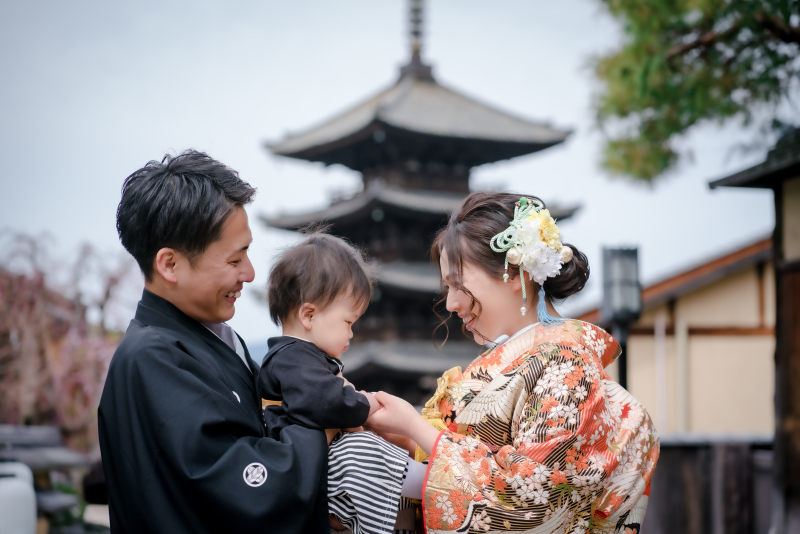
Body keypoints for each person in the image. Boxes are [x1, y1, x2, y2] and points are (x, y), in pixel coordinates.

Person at [364, 192, 660, 533]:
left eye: (459, 285)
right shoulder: (516, 360)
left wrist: (416, 428)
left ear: (513, 272)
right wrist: (402, 434)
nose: (451, 303)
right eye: (447, 287)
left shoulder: (568, 365)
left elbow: (532, 501)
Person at [98, 150, 335, 533]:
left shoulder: (217, 340)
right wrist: (323, 427)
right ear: (169, 265)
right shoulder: (150, 358)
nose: (250, 272)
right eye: (234, 259)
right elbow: (246, 489)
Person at [261, 232, 428, 534]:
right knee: (362, 450)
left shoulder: (299, 357)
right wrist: (368, 403)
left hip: (323, 468)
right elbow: (327, 402)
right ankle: (428, 483)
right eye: (348, 323)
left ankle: (409, 502)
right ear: (308, 315)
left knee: (371, 448)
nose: (351, 334)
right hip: (317, 469)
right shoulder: (293, 358)